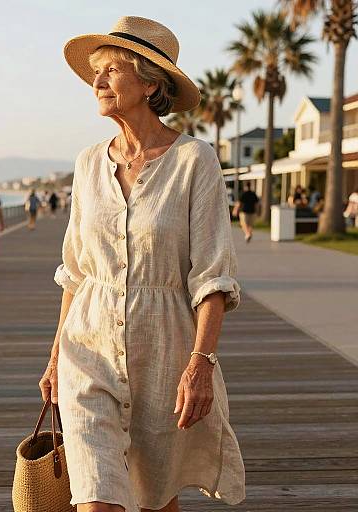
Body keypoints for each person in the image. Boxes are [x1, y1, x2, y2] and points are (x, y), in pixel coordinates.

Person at [38, 16, 245, 512]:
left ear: (151, 83)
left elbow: (213, 277)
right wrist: (54, 358)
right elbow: (76, 271)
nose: (98, 82)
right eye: (96, 72)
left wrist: (201, 364)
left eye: (112, 70)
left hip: (165, 352)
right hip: (87, 351)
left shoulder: (195, 161)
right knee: (97, 501)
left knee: (154, 498)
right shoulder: (89, 163)